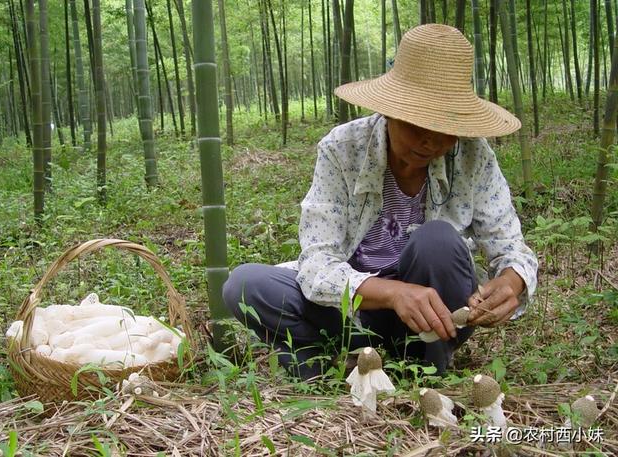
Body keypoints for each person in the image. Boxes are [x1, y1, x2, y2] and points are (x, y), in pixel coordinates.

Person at [222, 24, 538, 379]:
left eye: (446, 129)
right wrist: (393, 293)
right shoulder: (343, 149)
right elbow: (317, 262)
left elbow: (510, 246)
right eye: (418, 124)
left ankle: (426, 361)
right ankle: (339, 352)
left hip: (437, 312)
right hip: (358, 305)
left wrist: (512, 282)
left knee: (436, 241)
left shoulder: (473, 156)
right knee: (244, 285)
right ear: (390, 112)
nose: (431, 142)